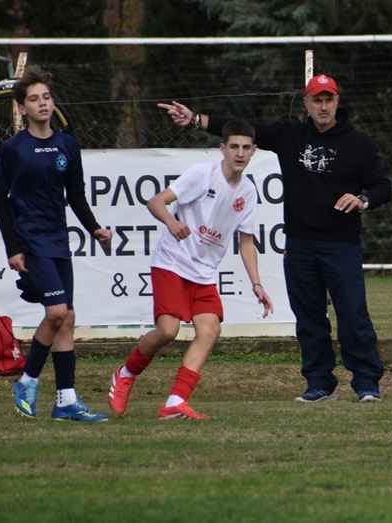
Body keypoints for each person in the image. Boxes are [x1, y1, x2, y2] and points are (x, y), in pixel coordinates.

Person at [157, 74, 392, 404]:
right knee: (309, 317)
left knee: (353, 315)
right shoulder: (290, 135)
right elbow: (243, 129)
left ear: (337, 101)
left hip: (341, 245)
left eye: (328, 99)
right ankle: (319, 383)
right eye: (317, 100)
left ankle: (366, 382)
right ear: (307, 103)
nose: (323, 106)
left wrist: (363, 199)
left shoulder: (359, 145)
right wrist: (196, 119)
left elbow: (383, 186)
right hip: (300, 244)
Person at [107, 119, 273, 420]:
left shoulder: (248, 191)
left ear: (253, 151)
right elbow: (156, 201)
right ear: (222, 148)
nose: (239, 153)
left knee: (209, 330)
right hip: (172, 262)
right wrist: (172, 222)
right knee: (167, 331)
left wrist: (257, 284)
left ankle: (175, 401)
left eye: (246, 148)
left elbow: (247, 242)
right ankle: (125, 374)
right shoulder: (202, 174)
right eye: (234, 146)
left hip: (204, 272)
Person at [0, 65, 113, 422]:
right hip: (31, 240)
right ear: (22, 108)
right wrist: (13, 248)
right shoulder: (14, 148)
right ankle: (26, 381)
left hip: (58, 239)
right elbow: (0, 199)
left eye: (46, 97)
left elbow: (76, 195)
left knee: (67, 317)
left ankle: (66, 401)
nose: (42, 103)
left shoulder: (67, 145)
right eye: (33, 99)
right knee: (56, 312)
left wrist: (95, 228)